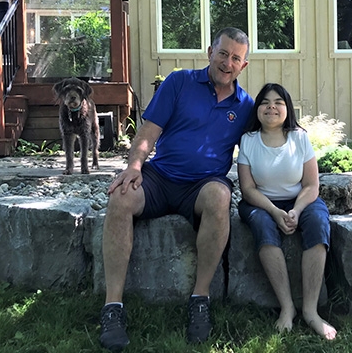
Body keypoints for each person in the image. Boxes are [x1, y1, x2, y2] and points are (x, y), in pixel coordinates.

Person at [98, 27, 253, 351]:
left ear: (244, 66)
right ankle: (113, 307)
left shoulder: (245, 107)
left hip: (201, 186)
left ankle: (200, 298)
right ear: (210, 52)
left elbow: (265, 147)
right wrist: (134, 167)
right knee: (121, 196)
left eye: (235, 58)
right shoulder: (179, 82)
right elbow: (147, 133)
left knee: (220, 196)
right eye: (223, 53)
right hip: (159, 177)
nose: (227, 62)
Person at [237, 83, 338, 340]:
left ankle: (311, 311)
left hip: (300, 200)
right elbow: (247, 189)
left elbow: (312, 185)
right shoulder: (248, 141)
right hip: (261, 202)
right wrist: (273, 211)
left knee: (317, 222)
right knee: (262, 225)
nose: (271, 106)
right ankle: (287, 307)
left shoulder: (300, 137)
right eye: (265, 102)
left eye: (278, 102)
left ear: (287, 108)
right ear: (257, 108)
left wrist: (296, 210)